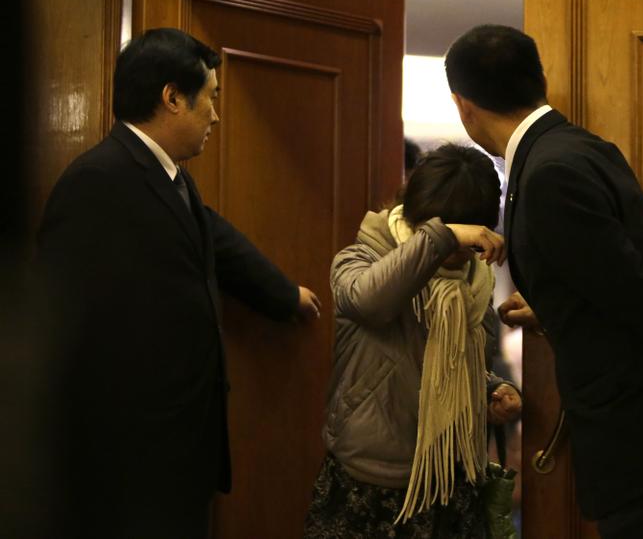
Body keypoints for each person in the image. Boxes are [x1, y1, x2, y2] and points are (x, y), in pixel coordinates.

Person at [444, 24, 643, 539]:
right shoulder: (572, 149)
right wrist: (553, 306)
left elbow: (642, 298)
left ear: (464, 106)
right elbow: (606, 284)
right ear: (537, 80)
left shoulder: (549, 173)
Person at [35, 27, 321, 539]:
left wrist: (284, 294)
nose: (216, 115)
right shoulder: (97, 181)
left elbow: (213, 237)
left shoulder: (168, 176)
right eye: (210, 98)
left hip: (178, 448)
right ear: (172, 98)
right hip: (130, 460)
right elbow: (59, 326)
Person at [303, 143, 522, 538]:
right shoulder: (361, 257)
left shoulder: (475, 281)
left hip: (451, 480)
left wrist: (490, 390)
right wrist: (441, 238)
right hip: (370, 480)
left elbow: (455, 364)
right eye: (452, 236)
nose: (461, 252)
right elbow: (368, 302)